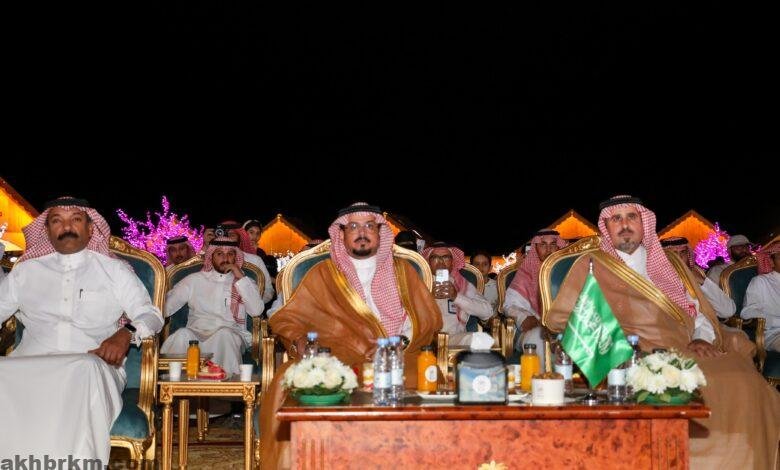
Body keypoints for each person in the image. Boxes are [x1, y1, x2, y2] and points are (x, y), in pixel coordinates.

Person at [545, 195, 780, 469]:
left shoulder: (669, 263)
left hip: (687, 346)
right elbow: (566, 318)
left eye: (631, 217)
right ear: (606, 227)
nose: (624, 225)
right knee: (679, 384)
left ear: (643, 222)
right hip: (630, 353)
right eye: (616, 218)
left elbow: (695, 310)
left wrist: (700, 337)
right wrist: (614, 352)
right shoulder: (591, 264)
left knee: (743, 381)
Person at [260, 203, 441, 467]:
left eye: (369, 226)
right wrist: (299, 339)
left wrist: (397, 345)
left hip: (397, 358)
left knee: (428, 375)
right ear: (342, 234)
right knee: (289, 379)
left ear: (380, 232)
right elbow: (287, 318)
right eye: (353, 226)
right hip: (337, 358)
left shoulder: (404, 272)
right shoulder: (323, 274)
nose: (362, 232)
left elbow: (426, 319)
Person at [0, 197, 163, 464]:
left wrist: (126, 333)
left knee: (83, 367)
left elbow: (151, 314)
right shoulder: (25, 272)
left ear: (90, 228)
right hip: (32, 366)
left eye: (75, 219)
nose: (66, 227)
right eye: (57, 221)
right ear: (46, 230)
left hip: (92, 367)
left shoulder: (113, 270)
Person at [161, 236, 263, 376]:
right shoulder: (194, 280)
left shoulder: (245, 282)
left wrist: (240, 277)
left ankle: (224, 386)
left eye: (230, 254)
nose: (225, 258)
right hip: (197, 332)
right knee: (182, 335)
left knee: (224, 334)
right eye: (220, 254)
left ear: (235, 257)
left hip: (231, 333)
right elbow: (166, 307)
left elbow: (257, 311)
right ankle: (176, 385)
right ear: (211, 257)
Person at [503, 229, 567, 364]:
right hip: (532, 328)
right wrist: (524, 317)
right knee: (538, 337)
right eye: (543, 244)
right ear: (535, 248)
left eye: (553, 244)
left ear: (558, 247)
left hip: (564, 327)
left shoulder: (567, 271)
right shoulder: (525, 273)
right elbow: (509, 305)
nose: (548, 249)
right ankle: (544, 377)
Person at [423, 242, 494, 345]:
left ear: (452, 262)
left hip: (453, 338)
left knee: (481, 340)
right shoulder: (419, 281)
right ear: (428, 262)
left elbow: (487, 312)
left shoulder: (462, 284)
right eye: (435, 258)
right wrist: (427, 296)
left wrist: (456, 297)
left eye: (446, 257)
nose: (440, 262)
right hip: (423, 338)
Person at [661, 236, 736, 319]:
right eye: (674, 253)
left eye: (683, 252)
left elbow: (728, 311)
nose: (679, 257)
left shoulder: (698, 279)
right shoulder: (656, 282)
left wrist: (703, 282)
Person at [741, 242, 780, 352]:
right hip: (774, 333)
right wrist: (777, 321)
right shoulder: (761, 281)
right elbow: (748, 313)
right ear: (771, 261)